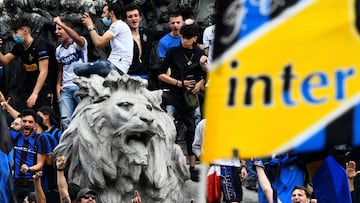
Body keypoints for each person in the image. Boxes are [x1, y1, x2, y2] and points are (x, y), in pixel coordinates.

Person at [158, 23, 207, 182]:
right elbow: (160, 74)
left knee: (191, 130)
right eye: (182, 37)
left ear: (195, 38)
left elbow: (207, 75)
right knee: (167, 126)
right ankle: (164, 164)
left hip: (189, 98)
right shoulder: (173, 52)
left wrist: (200, 83)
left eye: (188, 38)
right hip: (173, 93)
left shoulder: (199, 53)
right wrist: (180, 83)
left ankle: (192, 168)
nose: (184, 40)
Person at [0, 17, 52, 111]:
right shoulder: (19, 47)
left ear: (25, 31)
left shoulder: (39, 46)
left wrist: (35, 93)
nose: (14, 35)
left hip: (42, 88)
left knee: (40, 117)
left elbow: (44, 71)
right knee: (21, 113)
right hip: (27, 87)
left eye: (16, 32)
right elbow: (5, 60)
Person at [192, 119, 248, 202]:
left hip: (232, 167)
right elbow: (196, 146)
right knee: (212, 200)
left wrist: (243, 166)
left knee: (234, 200)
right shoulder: (203, 124)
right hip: (212, 168)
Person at [74, 1, 133, 77]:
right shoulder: (119, 26)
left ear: (111, 13)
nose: (102, 16)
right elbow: (100, 43)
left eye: (104, 13)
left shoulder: (117, 25)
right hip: (118, 67)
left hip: (115, 67)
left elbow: (98, 43)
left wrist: (90, 25)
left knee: (77, 67)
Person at [9, 109, 51, 203]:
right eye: (24, 121)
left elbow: (40, 164)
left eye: (30, 122)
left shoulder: (40, 139)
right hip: (16, 183)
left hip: (33, 183)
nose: (27, 124)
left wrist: (28, 169)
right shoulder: (15, 135)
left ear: (35, 124)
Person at [54, 16, 88, 130]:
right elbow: (60, 69)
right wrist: (58, 84)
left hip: (80, 86)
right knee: (65, 121)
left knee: (84, 119)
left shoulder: (79, 43)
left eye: (60, 29)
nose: (56, 32)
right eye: (56, 29)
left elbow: (77, 38)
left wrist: (61, 23)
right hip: (66, 89)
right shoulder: (59, 50)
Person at [124, 3, 167, 81]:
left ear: (140, 18)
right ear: (126, 20)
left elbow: (163, 33)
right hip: (128, 77)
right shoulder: (122, 37)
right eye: (130, 17)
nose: (133, 19)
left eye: (136, 15)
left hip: (144, 77)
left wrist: (183, 24)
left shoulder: (146, 33)